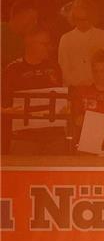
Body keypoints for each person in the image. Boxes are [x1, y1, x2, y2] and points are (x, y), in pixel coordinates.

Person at [2, 26, 67, 155]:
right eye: (44, 44)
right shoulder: (13, 69)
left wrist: (65, 107)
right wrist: (7, 111)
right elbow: (3, 103)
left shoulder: (54, 67)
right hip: (24, 136)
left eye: (49, 43)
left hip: (53, 135)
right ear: (29, 43)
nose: (48, 47)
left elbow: (62, 97)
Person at [57, 0, 104, 87]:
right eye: (78, 19)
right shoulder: (66, 39)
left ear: (92, 17)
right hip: (73, 86)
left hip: (98, 86)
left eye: (85, 19)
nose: (82, 22)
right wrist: (77, 84)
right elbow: (63, 67)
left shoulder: (103, 36)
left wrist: (95, 83)